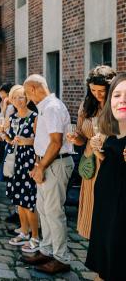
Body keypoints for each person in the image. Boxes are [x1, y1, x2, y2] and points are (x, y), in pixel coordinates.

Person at [21, 74, 74, 274]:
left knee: (53, 212)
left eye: (26, 92)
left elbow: (55, 142)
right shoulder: (45, 107)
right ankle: (47, 250)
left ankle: (61, 258)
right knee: (43, 209)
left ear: (33, 88)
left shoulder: (52, 107)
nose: (27, 97)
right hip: (46, 163)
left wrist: (41, 167)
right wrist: (38, 165)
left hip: (55, 164)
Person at [66, 65, 116, 239]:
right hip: (91, 165)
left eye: (101, 90)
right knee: (91, 203)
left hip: (111, 163)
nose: (97, 94)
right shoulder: (86, 106)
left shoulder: (118, 106)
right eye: (93, 90)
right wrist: (75, 138)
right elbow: (81, 137)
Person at [85, 74, 126, 281]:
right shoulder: (113, 127)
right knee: (103, 235)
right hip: (106, 192)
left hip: (121, 198)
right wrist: (97, 151)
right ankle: (102, 273)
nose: (122, 100)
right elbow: (109, 160)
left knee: (116, 239)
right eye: (117, 95)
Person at [0, 85, 40, 251]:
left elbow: (40, 141)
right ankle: (24, 231)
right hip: (16, 161)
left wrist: (27, 141)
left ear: (27, 99)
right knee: (19, 200)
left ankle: (35, 237)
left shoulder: (34, 117)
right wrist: (3, 134)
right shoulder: (13, 118)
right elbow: (10, 140)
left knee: (29, 201)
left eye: (21, 97)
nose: (18, 101)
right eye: (14, 98)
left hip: (29, 161)